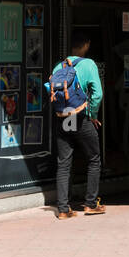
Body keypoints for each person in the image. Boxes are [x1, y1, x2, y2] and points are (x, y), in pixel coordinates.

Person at [49, 32, 103, 220]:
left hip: (65, 118)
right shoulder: (89, 64)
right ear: (86, 45)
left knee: (64, 164)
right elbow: (97, 94)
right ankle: (90, 204)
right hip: (81, 118)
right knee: (94, 159)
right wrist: (93, 115)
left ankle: (63, 209)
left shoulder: (59, 66)